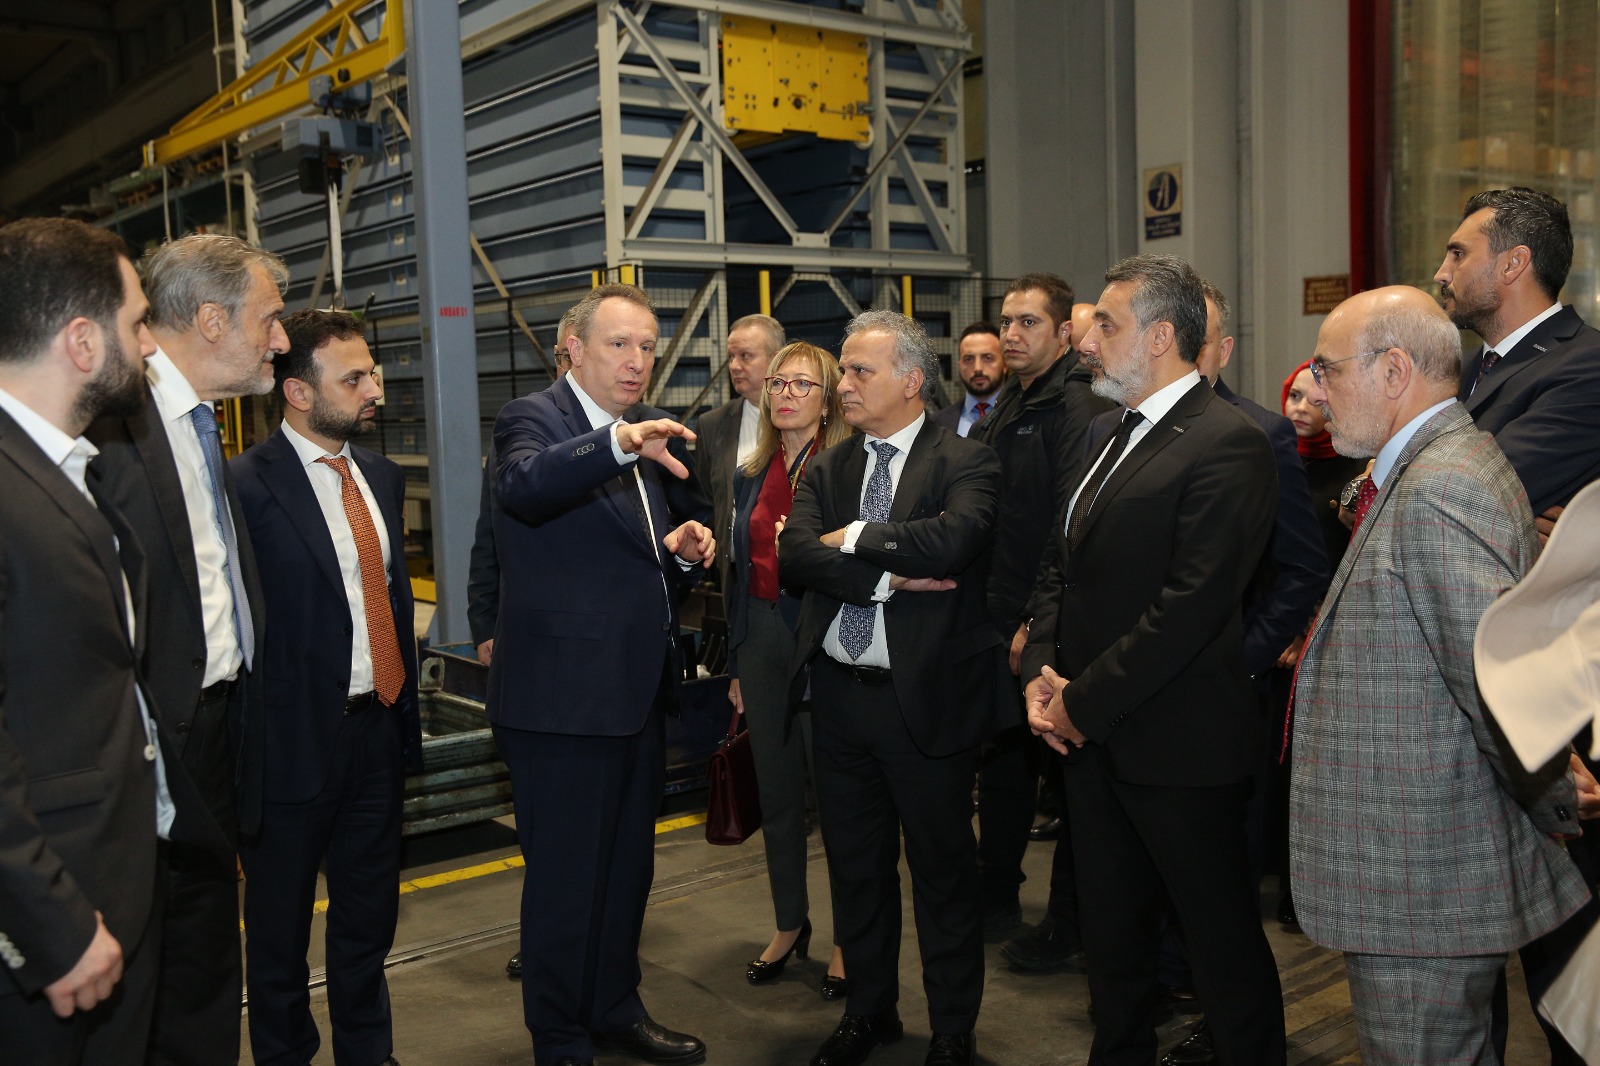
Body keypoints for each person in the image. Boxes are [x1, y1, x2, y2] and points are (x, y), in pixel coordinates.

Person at [1289, 284, 1590, 1063]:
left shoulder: (1441, 486)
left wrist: (1554, 790)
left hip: (1421, 876)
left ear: (1393, 370)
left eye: (1327, 368)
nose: (1315, 390)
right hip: (1418, 865)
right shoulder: (1434, 465)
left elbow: (1492, 679)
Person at [1024, 254, 1285, 1066]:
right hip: (1092, 740)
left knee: (1220, 945)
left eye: (1106, 324)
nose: (1086, 341)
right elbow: (1062, 564)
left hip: (1179, 748)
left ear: (1163, 336)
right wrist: (1040, 670)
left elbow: (1190, 606)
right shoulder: (1104, 431)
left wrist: (1078, 702)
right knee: (1112, 940)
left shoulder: (1229, 441)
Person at [490, 283, 714, 1066]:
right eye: (619, 343)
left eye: (648, 345)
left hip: (634, 695)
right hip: (560, 705)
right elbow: (525, 487)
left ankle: (615, 1008)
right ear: (573, 349)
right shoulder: (535, 420)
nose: (637, 359)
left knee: (624, 874)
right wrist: (618, 443)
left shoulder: (638, 434)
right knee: (566, 884)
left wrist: (679, 556)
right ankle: (559, 1038)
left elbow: (626, 561)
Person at [781, 310, 1007, 1066]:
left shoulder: (966, 460)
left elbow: (954, 539)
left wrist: (852, 538)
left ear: (911, 381)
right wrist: (888, 577)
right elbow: (793, 555)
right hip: (839, 698)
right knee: (856, 870)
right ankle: (869, 1012)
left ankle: (952, 1030)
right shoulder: (829, 467)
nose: (842, 385)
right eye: (843, 370)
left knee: (943, 874)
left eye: (858, 371)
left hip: (926, 702)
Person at [87, 232, 287, 1066]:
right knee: (144, 982)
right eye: (269, 319)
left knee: (204, 968)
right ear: (211, 320)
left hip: (216, 733)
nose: (281, 339)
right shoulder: (112, 431)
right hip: (149, 748)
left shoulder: (202, 424)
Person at [0, 217, 191, 1065]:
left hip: (113, 885)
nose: (149, 346)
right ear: (81, 341)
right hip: (51, 926)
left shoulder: (64, 471)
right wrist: (53, 924)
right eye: (137, 322)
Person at [1433, 185, 1600, 1065]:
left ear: (1515, 263)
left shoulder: (1584, 367)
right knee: (1482, 950)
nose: (1441, 270)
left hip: (1553, 705)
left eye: (1458, 252)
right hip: (1478, 704)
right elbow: (1386, 495)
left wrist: (1409, 491)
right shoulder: (1472, 373)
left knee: (1569, 968)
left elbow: (1452, 496)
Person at [229, 309, 422, 1066]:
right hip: (289, 745)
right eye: (354, 378)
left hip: (377, 730)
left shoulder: (379, 476)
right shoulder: (244, 486)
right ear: (299, 393)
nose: (374, 389)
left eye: (370, 373)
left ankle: (367, 1053)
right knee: (278, 934)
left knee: (367, 920)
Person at [1157, 281, 1328, 1066]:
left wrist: (1242, 661)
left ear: (1220, 348)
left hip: (1222, 697)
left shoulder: (1259, 433)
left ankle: (1229, 1024)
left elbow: (1300, 569)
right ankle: (1173, 987)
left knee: (1221, 881)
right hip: (1140, 694)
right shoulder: (1122, 430)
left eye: (1196, 334)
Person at [964, 273, 1113, 961]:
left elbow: (1065, 524)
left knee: (1065, 776)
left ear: (1064, 334)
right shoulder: (1009, 405)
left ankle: (1069, 923)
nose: (1012, 334)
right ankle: (996, 894)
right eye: (1006, 322)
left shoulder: (1074, 407)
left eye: (1028, 322)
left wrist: (1034, 620)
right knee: (1004, 765)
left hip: (1045, 622)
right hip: (998, 614)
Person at [727, 341, 851, 995]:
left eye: (802, 384)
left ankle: (848, 938)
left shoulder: (846, 470)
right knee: (776, 794)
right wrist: (738, 663)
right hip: (762, 639)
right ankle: (788, 922)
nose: (785, 394)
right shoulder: (751, 472)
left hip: (822, 640)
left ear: (828, 400)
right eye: (778, 382)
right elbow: (737, 574)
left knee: (837, 800)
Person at [469, 308, 578, 983]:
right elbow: (491, 536)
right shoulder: (526, 432)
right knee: (547, 832)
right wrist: (485, 624)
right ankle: (545, 944)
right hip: (536, 660)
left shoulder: (641, 431)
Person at [697, 313, 785, 593]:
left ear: (775, 359)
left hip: (792, 577)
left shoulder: (806, 421)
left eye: (746, 356)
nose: (735, 366)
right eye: (731, 357)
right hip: (737, 580)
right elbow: (705, 502)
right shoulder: (712, 426)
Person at [1280, 361, 1367, 572]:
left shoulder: (1357, 464)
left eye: (1315, 401)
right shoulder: (1270, 456)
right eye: (1295, 396)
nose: (1301, 408)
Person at [930, 323, 1005, 437]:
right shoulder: (936, 424)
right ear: (959, 366)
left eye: (987, 358)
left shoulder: (1022, 414)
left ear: (1005, 364)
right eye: (968, 359)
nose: (978, 368)